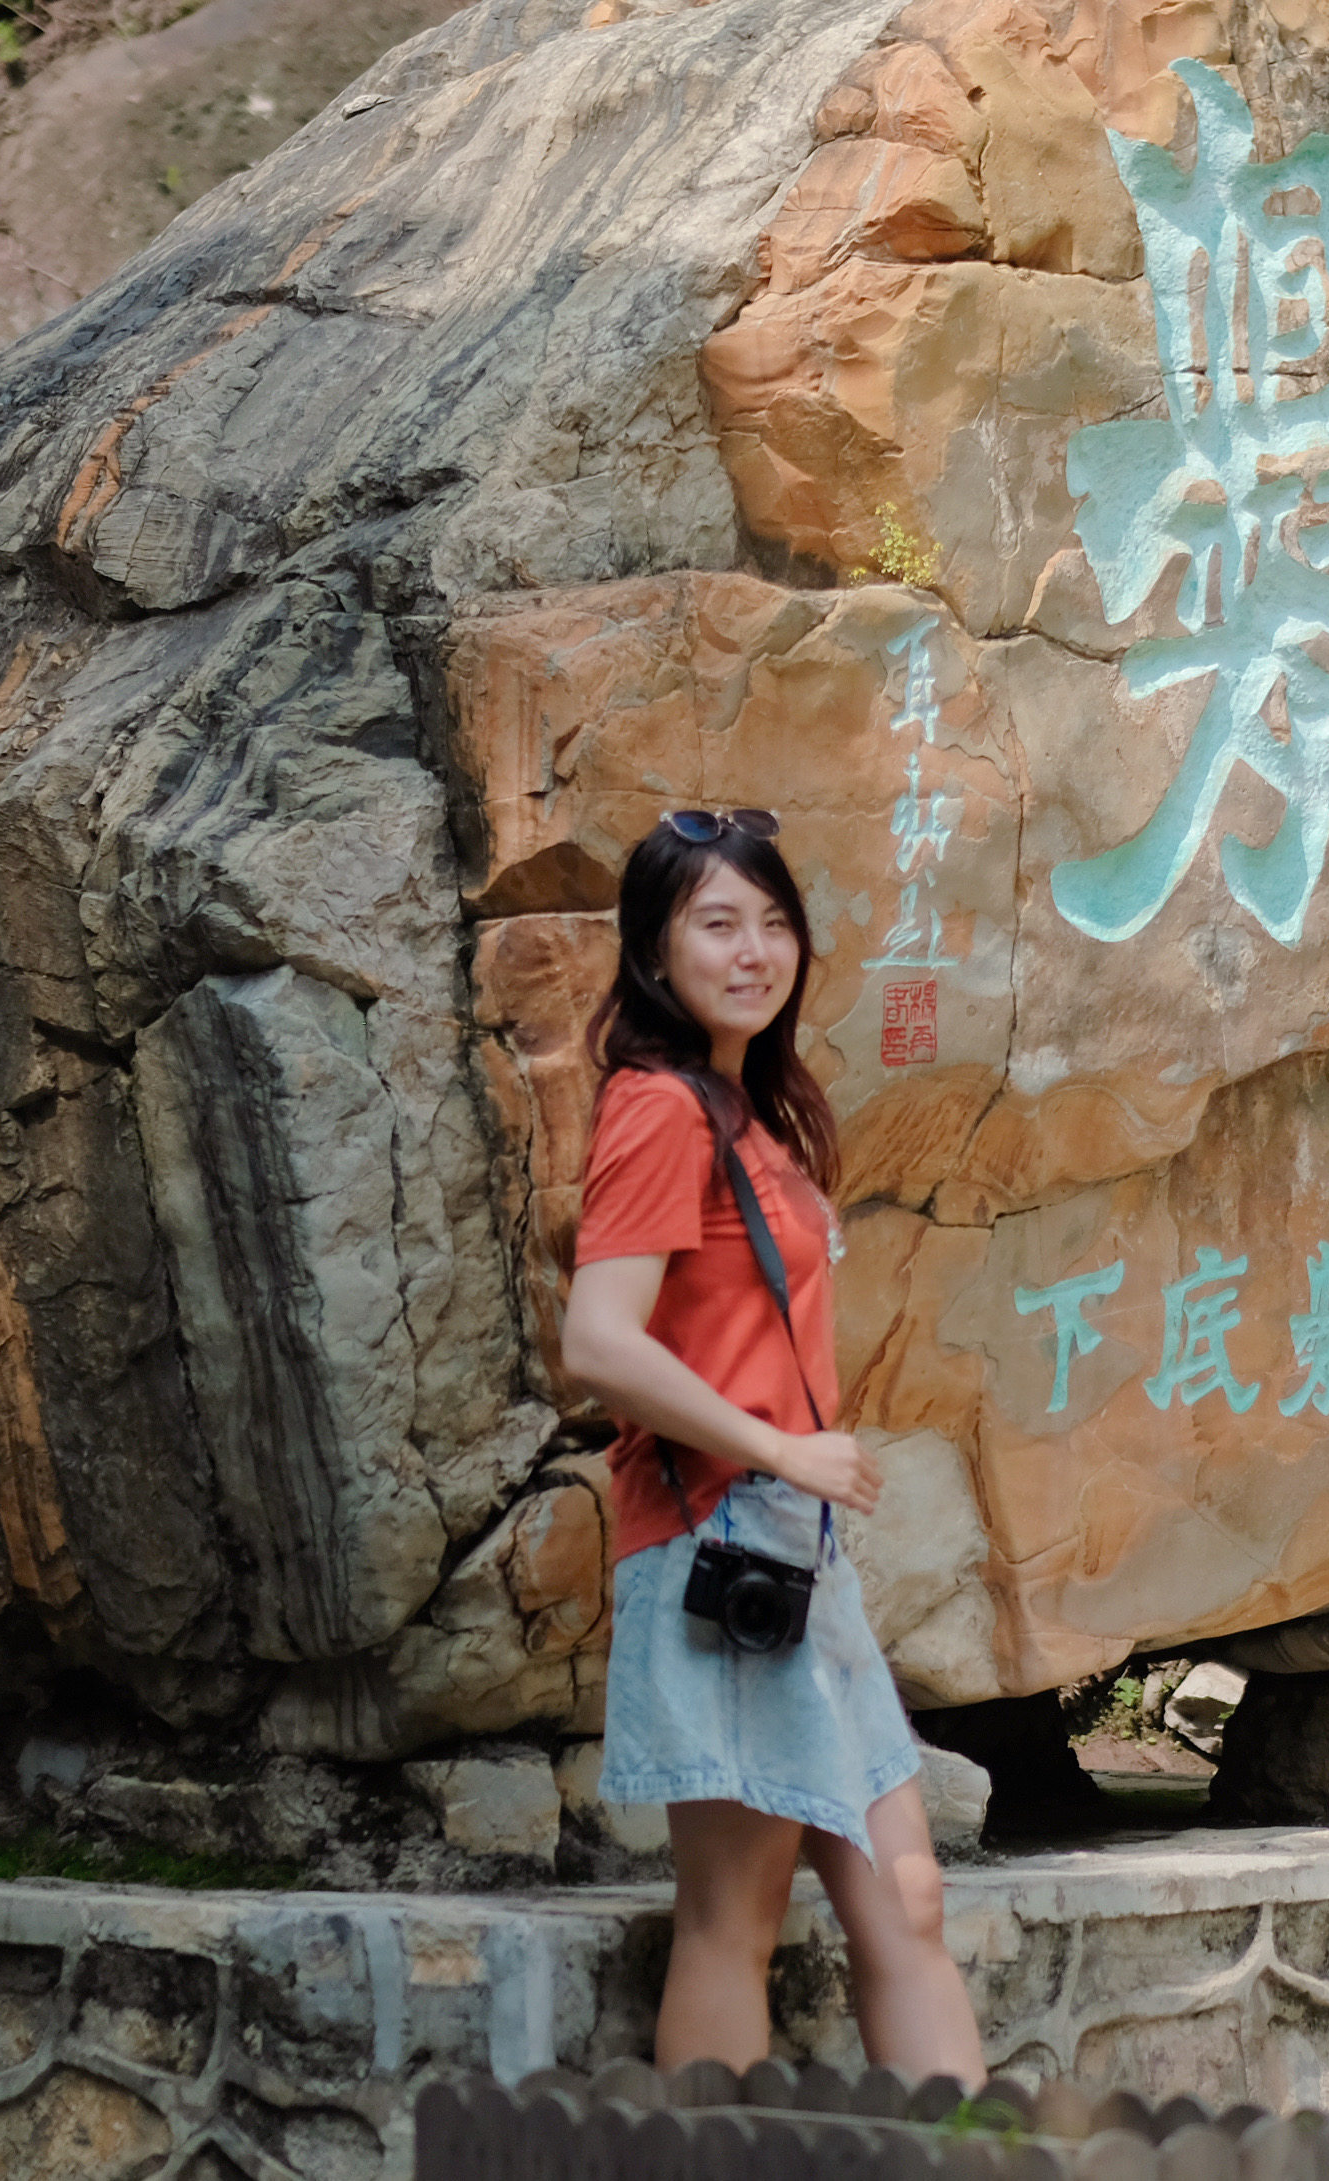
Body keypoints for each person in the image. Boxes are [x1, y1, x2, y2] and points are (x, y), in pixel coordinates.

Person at [554, 806, 987, 2084]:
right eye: (717, 924)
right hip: (719, 1541)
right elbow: (599, 1337)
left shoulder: (752, 1107)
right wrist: (780, 1448)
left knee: (905, 1898)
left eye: (775, 922)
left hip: (792, 1548)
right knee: (733, 1922)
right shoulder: (657, 1109)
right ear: (654, 949)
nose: (754, 951)